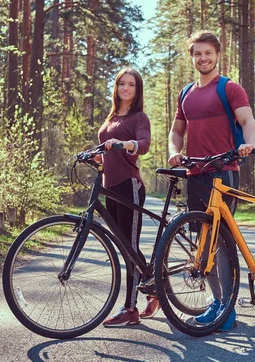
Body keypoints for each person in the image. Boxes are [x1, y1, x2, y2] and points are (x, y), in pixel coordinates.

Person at [167, 30, 255, 331]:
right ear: (192, 57)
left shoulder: (229, 88)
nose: (203, 58)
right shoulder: (185, 94)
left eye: (208, 53)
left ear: (218, 55)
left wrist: (249, 143)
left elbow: (247, 121)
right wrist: (173, 151)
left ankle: (227, 308)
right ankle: (217, 302)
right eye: (197, 53)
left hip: (224, 171)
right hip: (196, 173)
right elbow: (177, 131)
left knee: (221, 241)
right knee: (203, 244)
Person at [97, 67, 156, 327]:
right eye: (122, 83)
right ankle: (155, 285)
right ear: (116, 87)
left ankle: (130, 309)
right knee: (124, 248)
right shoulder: (111, 117)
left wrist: (128, 144)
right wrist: (96, 155)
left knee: (129, 248)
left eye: (131, 84)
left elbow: (143, 144)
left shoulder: (138, 117)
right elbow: (107, 150)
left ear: (137, 89)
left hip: (129, 186)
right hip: (109, 186)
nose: (126, 88)